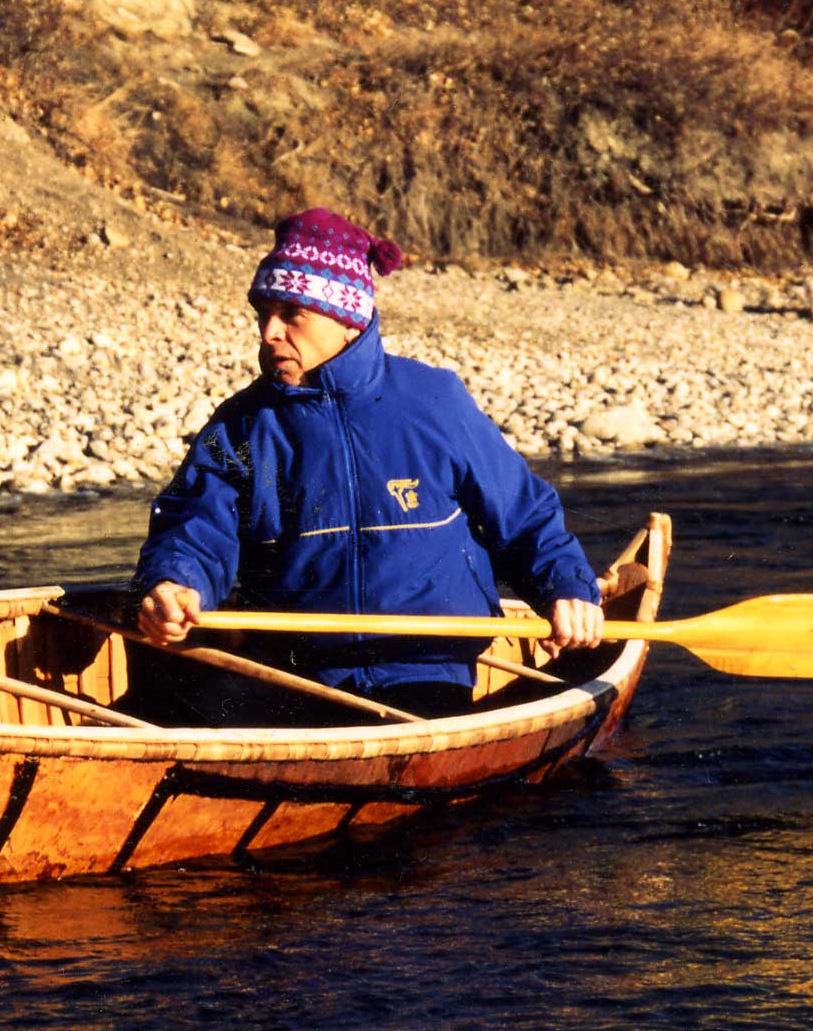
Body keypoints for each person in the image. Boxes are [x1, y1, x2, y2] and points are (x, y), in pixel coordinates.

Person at [131, 208, 603, 721]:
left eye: (291, 315)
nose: (268, 332)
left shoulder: (434, 402)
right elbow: (194, 525)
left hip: (426, 672)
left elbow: (523, 516)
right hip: (292, 675)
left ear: (347, 320)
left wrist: (567, 588)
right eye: (262, 313)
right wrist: (173, 582)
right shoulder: (243, 425)